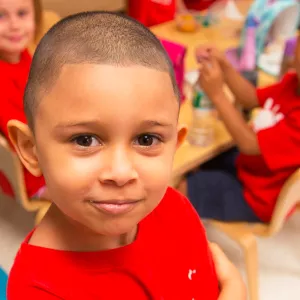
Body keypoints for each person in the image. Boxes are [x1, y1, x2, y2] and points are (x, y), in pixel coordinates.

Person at [6, 11, 246, 299]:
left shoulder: (174, 207)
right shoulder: (39, 289)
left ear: (174, 144)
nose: (121, 173)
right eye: (85, 139)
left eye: (147, 139)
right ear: (31, 151)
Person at [179, 38, 300, 223]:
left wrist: (217, 95)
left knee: (184, 189)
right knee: (199, 161)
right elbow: (251, 98)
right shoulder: (293, 83)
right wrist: (225, 65)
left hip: (258, 197)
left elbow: (249, 144)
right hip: (250, 167)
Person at [0, 0, 46, 198]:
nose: (14, 25)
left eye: (21, 14)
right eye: (1, 16)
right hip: (31, 173)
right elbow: (20, 134)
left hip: (45, 153)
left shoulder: (26, 57)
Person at [128, 0, 218, 27]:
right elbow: (138, 29)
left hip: (172, 36)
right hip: (153, 44)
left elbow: (184, 13)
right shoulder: (140, 2)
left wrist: (195, 18)